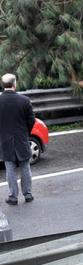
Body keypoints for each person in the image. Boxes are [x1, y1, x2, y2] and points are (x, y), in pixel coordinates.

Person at [0, 73, 35, 205]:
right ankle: (28, 194)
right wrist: (25, 132)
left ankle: (13, 197)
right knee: (25, 167)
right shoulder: (24, 100)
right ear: (14, 84)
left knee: (10, 168)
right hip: (21, 138)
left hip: (5, 141)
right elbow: (31, 120)